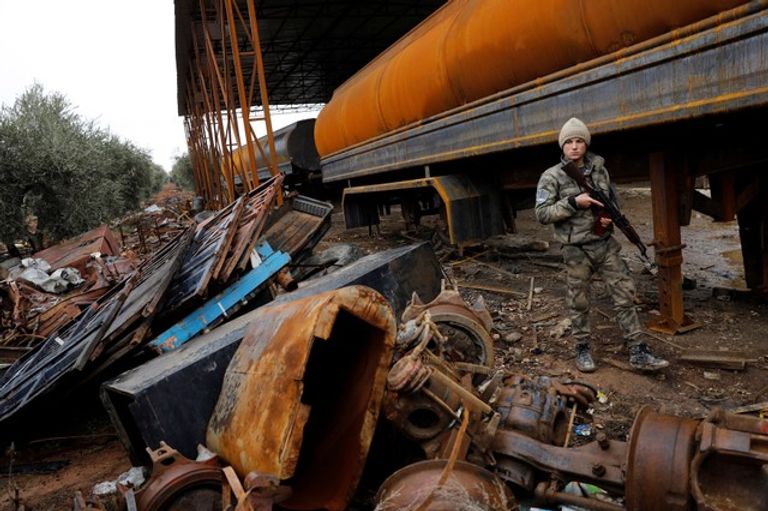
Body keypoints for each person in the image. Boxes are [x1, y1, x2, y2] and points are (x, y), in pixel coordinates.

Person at [535, 117, 669, 373]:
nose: (574, 147)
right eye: (569, 142)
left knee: (624, 295)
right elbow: (541, 213)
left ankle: (638, 350)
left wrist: (607, 218)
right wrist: (574, 202)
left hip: (605, 244)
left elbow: (612, 200)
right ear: (562, 146)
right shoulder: (551, 176)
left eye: (579, 141)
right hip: (576, 250)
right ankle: (582, 348)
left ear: (586, 144)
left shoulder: (600, 170)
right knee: (579, 301)